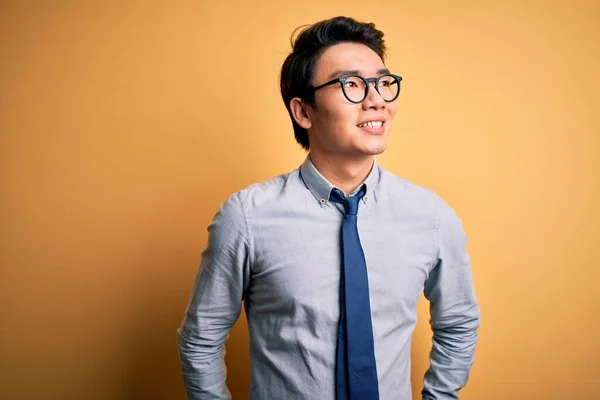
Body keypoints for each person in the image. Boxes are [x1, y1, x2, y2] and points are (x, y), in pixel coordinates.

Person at [177, 16, 480, 400]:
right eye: (351, 84)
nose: (376, 100)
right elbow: (201, 338)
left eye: (384, 83)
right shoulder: (247, 217)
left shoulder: (431, 217)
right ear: (303, 112)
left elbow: (459, 323)